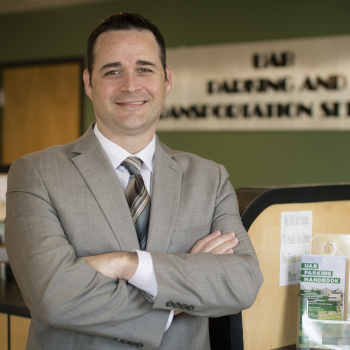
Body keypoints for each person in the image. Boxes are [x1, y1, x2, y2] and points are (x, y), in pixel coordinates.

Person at [5, 13, 263, 350]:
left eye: (145, 69)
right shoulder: (36, 173)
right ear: (88, 83)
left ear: (166, 79)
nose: (130, 85)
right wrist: (180, 294)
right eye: (112, 71)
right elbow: (52, 296)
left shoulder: (209, 178)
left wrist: (128, 263)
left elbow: (242, 283)